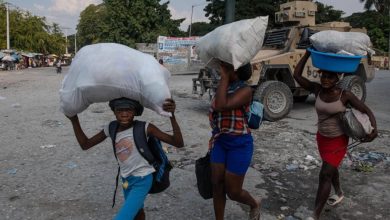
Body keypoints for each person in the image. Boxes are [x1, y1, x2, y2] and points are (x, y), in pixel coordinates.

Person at [66, 98, 184, 220]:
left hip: (143, 180)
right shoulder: (111, 128)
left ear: (135, 111)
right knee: (137, 213)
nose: (124, 114)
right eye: (119, 110)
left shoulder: (145, 127)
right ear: (114, 112)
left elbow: (178, 142)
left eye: (128, 110)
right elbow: (85, 144)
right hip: (126, 180)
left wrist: (172, 115)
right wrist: (74, 120)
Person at [293, 50, 377, 219]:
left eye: (330, 77)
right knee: (329, 168)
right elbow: (297, 75)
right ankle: (338, 192)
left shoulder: (344, 95)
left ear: (337, 79)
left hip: (338, 139)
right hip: (322, 137)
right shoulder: (317, 90)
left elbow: (365, 110)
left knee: (325, 174)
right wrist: (307, 54)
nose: (325, 79)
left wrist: (373, 129)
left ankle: (315, 214)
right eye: (323, 76)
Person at [209, 62, 261, 220]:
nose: (222, 69)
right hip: (220, 140)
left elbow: (221, 105)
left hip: (240, 143)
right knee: (217, 185)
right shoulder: (223, 87)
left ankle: (254, 203)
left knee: (233, 192)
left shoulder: (245, 90)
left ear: (235, 71)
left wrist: (224, 77)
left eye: (227, 67)